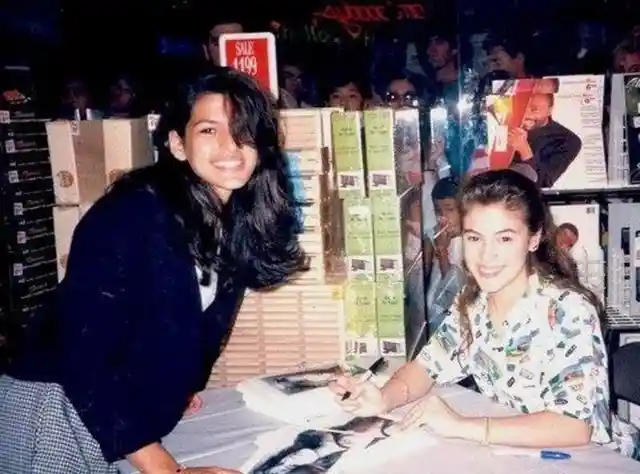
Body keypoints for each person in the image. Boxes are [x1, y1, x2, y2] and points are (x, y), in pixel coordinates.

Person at [0, 69, 308, 473]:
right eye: (208, 131)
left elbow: (189, 328)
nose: (231, 146)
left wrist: (176, 386)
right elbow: (83, 353)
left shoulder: (232, 221)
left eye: (243, 130)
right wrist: (168, 470)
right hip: (55, 412)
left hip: (113, 413)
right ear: (178, 144)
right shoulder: (133, 213)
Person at [330, 169, 638, 459]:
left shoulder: (568, 311)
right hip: (523, 454)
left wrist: (462, 426)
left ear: (533, 239)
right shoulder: (473, 303)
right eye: (475, 237)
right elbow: (427, 366)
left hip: (597, 460)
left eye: (505, 238)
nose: (486, 255)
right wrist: (383, 398)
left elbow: (574, 426)